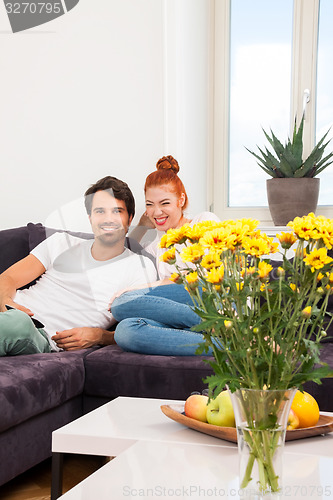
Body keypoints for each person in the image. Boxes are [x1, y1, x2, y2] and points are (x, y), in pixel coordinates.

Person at [0, 176, 157, 356]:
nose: (108, 219)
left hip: (40, 335)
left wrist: (100, 336)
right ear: (90, 218)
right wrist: (4, 301)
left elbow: (140, 328)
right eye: (100, 211)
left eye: (116, 211)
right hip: (10, 314)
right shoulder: (60, 242)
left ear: (129, 219)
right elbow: (7, 279)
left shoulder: (140, 266)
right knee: (16, 321)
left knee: (19, 324)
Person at [111, 155, 220, 356]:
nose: (157, 211)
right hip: (178, 318)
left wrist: (139, 288)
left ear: (181, 200)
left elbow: (200, 279)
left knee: (121, 303)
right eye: (150, 204)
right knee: (125, 331)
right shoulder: (157, 245)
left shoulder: (204, 221)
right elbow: (124, 251)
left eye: (164, 203)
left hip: (213, 300)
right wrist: (143, 226)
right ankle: (233, 345)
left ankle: (219, 322)